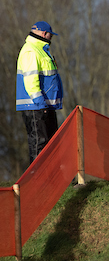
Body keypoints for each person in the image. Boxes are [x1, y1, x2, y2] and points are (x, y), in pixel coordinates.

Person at [16, 21, 63, 164]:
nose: (51, 38)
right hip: (35, 107)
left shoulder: (41, 50)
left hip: (44, 106)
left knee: (51, 144)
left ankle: (53, 179)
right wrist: (41, 104)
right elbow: (31, 82)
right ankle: (36, 182)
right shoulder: (31, 51)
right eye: (50, 35)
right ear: (44, 34)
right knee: (39, 144)